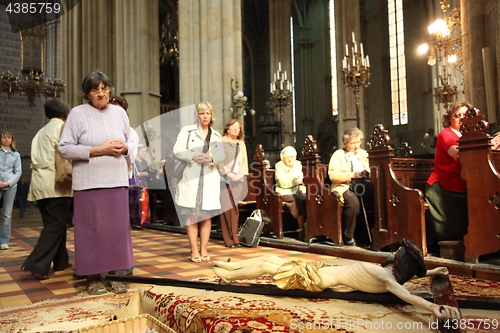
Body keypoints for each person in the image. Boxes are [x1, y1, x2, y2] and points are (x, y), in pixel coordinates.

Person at [213, 238, 460, 320]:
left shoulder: (384, 278)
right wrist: (434, 272)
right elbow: (407, 280)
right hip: (318, 269)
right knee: (270, 258)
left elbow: (405, 294)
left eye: (397, 254)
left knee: (268, 265)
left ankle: (228, 276)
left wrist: (434, 307)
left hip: (317, 279)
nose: (394, 253)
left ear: (399, 262)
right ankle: (229, 266)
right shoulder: (389, 274)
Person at [58, 70, 134, 295]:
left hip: (116, 180)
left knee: (116, 231)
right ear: (87, 94)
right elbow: (64, 148)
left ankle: (113, 274)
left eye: (104, 88)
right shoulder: (77, 114)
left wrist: (126, 148)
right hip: (89, 182)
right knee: (92, 231)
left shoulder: (119, 113)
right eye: (95, 90)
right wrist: (98, 150)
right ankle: (92, 278)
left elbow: (131, 140)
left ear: (109, 90)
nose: (101, 94)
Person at [21, 99, 73, 280]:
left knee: (55, 224)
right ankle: (37, 264)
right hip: (55, 183)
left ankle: (61, 262)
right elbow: (66, 156)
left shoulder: (40, 131)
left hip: (39, 184)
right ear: (66, 113)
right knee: (54, 226)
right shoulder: (62, 128)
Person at [173, 102, 224, 262]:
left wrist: (211, 158)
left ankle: (204, 248)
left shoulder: (215, 135)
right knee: (191, 215)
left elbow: (221, 156)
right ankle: (194, 249)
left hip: (209, 179)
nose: (205, 116)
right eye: (202, 113)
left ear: (211, 115)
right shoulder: (187, 132)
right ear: (197, 115)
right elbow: (177, 150)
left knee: (206, 216)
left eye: (208, 113)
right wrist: (193, 156)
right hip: (192, 177)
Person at [425, 100, 472, 251]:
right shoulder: (445, 134)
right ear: (450, 117)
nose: (461, 118)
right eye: (457, 115)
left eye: (465, 115)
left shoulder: (470, 135)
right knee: (454, 228)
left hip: (463, 185)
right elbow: (457, 153)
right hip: (442, 187)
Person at [328, 127, 373, 246]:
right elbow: (333, 175)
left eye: (358, 142)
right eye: (353, 143)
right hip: (344, 186)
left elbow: (371, 167)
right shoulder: (338, 155)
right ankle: (348, 235)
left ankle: (369, 232)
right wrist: (351, 175)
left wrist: (367, 172)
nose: (356, 146)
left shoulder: (363, 153)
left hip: (363, 184)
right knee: (354, 203)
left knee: (376, 196)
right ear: (345, 143)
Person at [219, 119, 248, 248]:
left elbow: (244, 161)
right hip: (224, 178)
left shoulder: (241, 143)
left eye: (238, 127)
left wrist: (241, 175)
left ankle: (235, 235)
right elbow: (218, 161)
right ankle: (228, 239)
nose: (236, 129)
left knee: (235, 209)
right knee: (226, 207)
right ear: (227, 128)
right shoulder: (220, 141)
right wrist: (228, 173)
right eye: (233, 127)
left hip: (238, 179)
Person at [274, 146, 306, 240]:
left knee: (307, 199)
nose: (290, 159)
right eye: (287, 158)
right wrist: (295, 180)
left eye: (292, 157)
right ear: (283, 159)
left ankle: (309, 226)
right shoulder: (279, 165)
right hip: (284, 191)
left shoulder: (298, 164)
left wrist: (299, 180)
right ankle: (301, 230)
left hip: (298, 189)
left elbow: (301, 177)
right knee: (297, 200)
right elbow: (282, 181)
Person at [0, 131, 22, 250]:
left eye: (9, 138)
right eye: (4, 137)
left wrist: (8, 183)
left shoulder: (16, 155)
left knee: (7, 214)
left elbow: (18, 172)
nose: (6, 140)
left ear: (12, 140)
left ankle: (4, 240)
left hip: (10, 186)